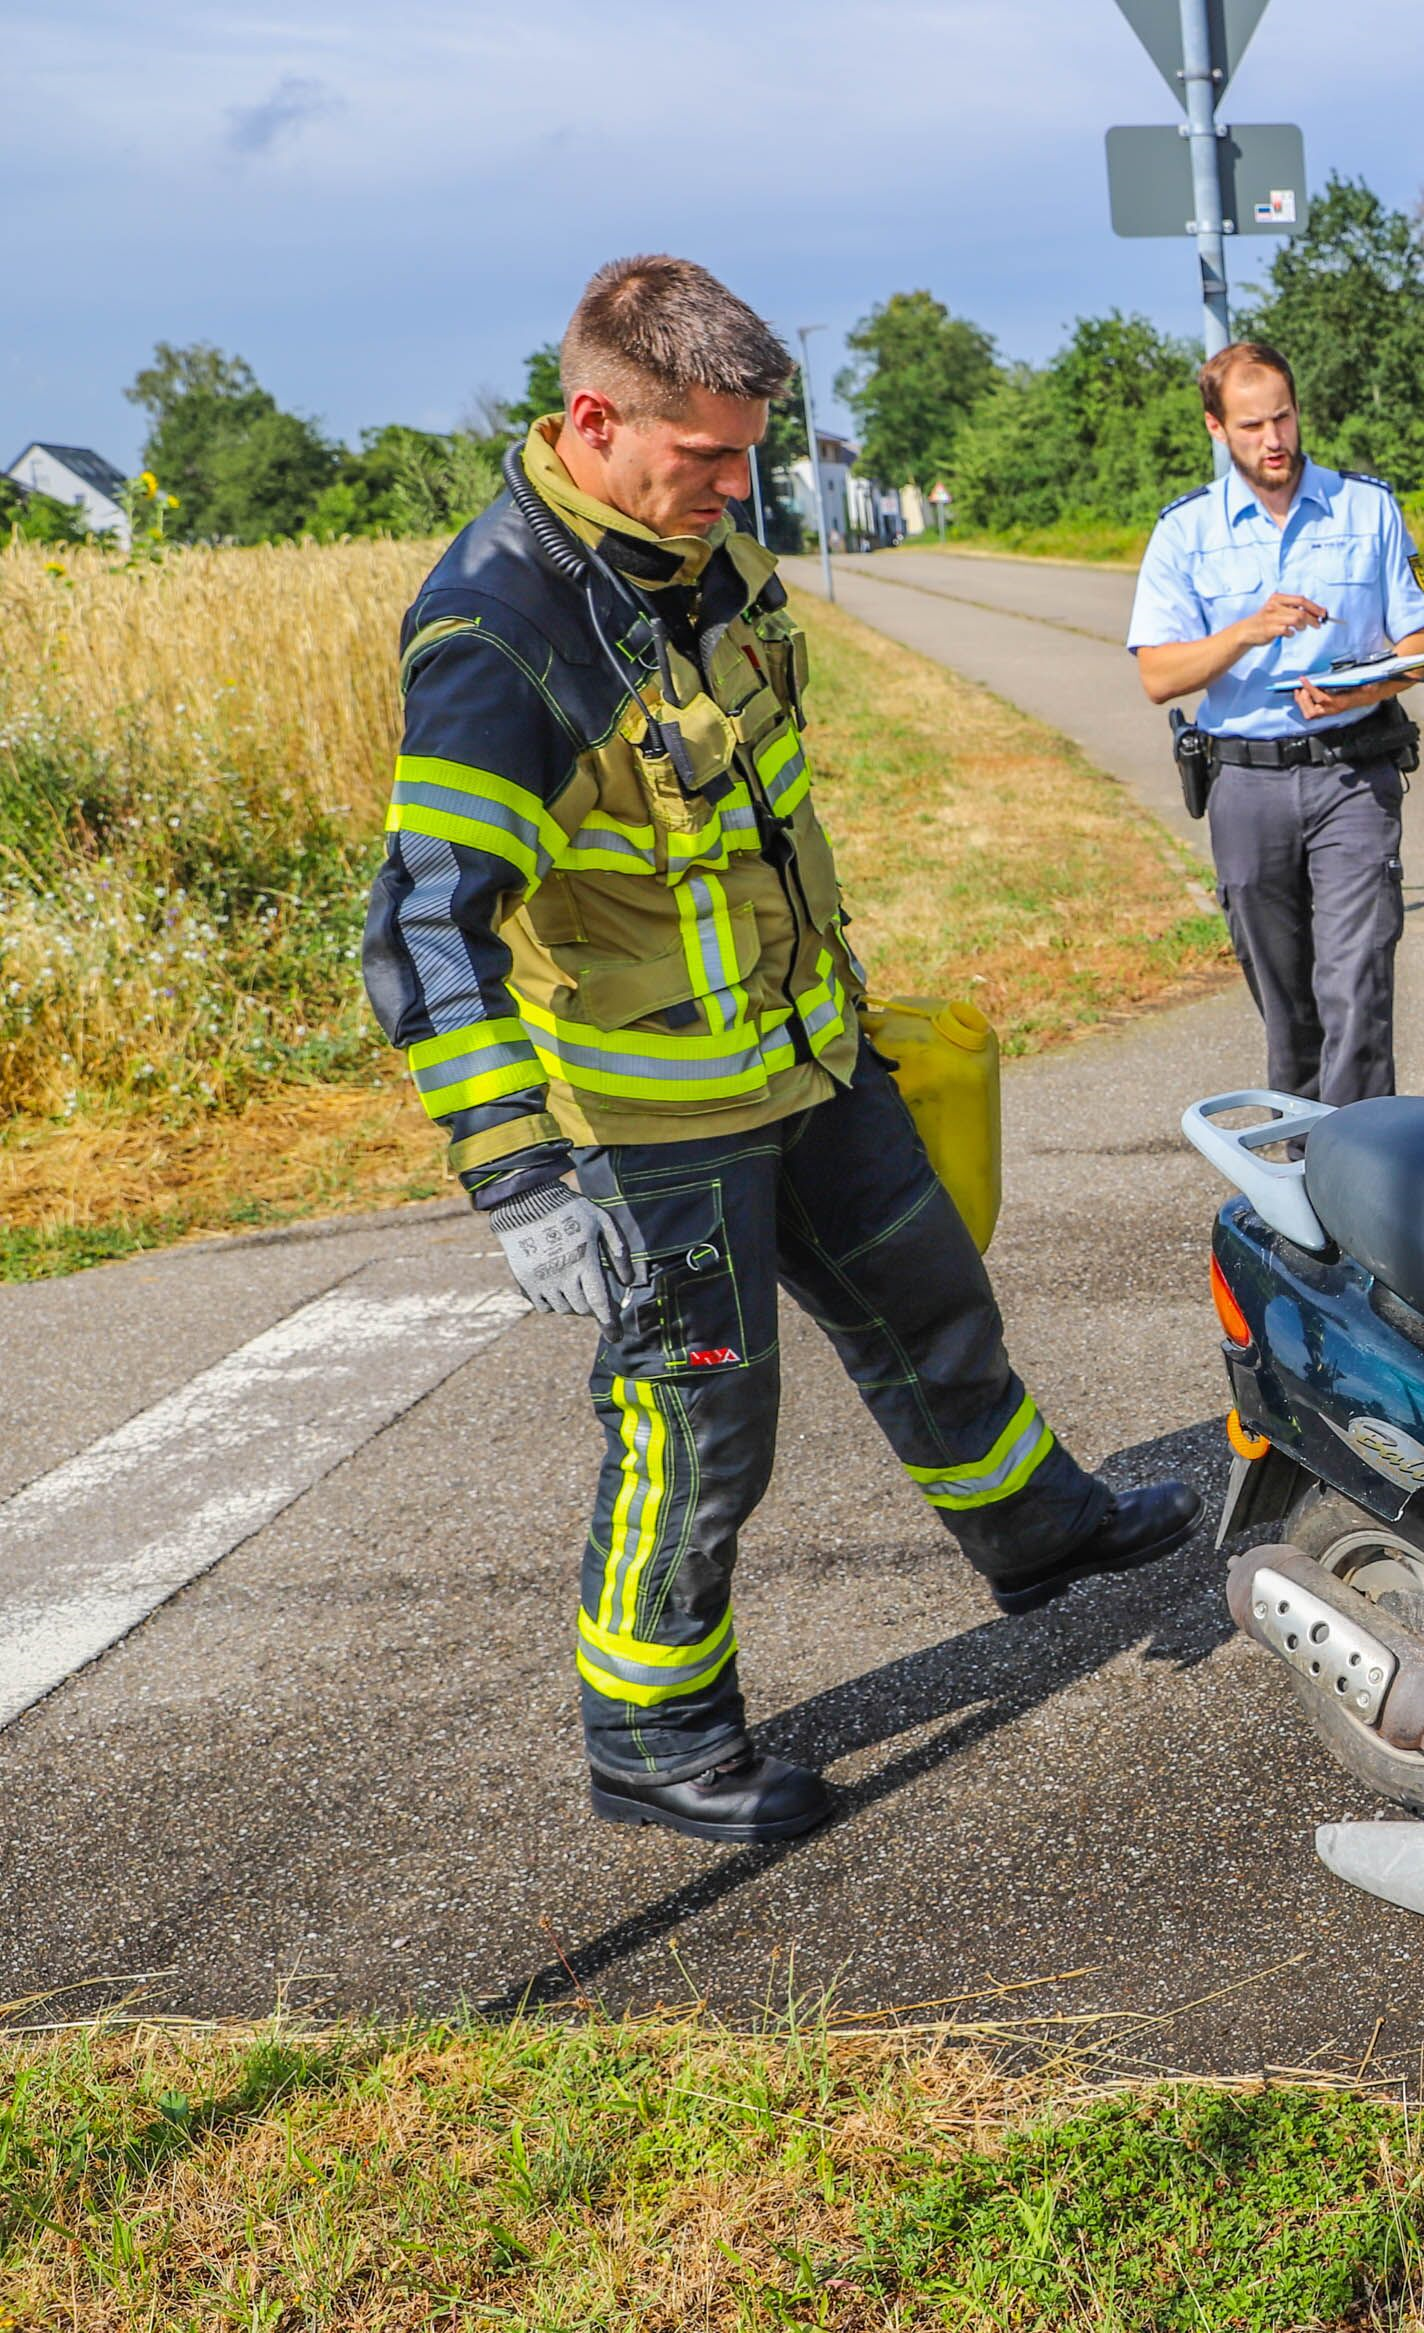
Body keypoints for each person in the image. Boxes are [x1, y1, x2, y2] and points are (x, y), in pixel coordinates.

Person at [361, 256, 1197, 1848]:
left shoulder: (702, 555)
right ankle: (656, 1733)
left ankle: (1037, 1529)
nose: (740, 488)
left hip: (809, 1059)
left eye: (751, 456)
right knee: (699, 1422)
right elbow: (419, 927)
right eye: (708, 458)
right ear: (593, 419)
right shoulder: (500, 631)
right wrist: (521, 1172)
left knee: (931, 1291)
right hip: (657, 1112)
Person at [1129, 343, 1424, 1105]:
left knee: (1357, 978)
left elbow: (1422, 647)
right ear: (1215, 427)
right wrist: (1245, 630)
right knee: (1285, 998)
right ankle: (1304, 1162)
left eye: (1283, 417)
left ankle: (1360, 1173)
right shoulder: (1185, 532)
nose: (1273, 440)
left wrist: (1358, 692)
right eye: (1250, 426)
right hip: (1244, 782)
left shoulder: (1365, 508)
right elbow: (1158, 676)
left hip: (1352, 774)